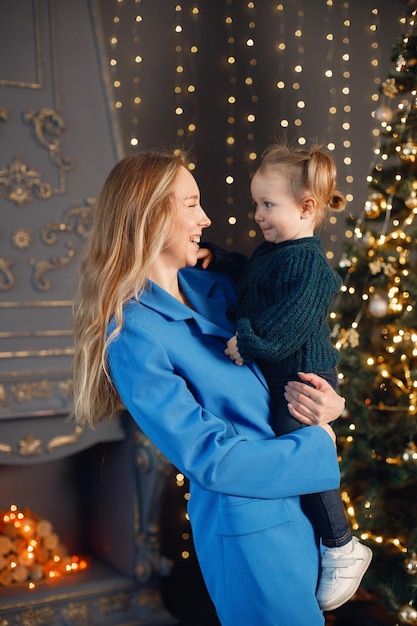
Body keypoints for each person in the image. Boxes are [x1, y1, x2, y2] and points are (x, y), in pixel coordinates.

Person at [72, 150, 346, 626]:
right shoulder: (133, 337)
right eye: (192, 203)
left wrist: (329, 402)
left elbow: (291, 352)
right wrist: (317, 447)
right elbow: (210, 458)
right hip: (249, 531)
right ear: (152, 214)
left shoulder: (220, 287)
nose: (206, 218)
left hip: (302, 508)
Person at [222, 141, 372, 612]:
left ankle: (342, 544)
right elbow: (254, 277)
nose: (258, 215)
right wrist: (221, 261)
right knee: (291, 454)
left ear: (307, 208)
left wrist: (247, 341)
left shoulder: (307, 261)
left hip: (306, 376)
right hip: (285, 372)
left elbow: (290, 322)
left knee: (302, 449)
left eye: (268, 205)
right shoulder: (274, 251)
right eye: (256, 205)